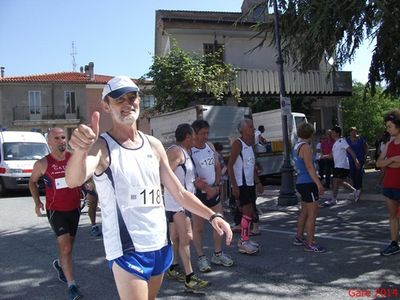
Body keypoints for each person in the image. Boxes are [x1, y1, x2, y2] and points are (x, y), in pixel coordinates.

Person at [65, 75, 232, 300]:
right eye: (118, 99)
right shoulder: (102, 146)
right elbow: (74, 179)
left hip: (159, 244)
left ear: (139, 101)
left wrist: (213, 216)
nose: (127, 103)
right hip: (127, 250)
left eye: (132, 97)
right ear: (106, 106)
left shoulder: (153, 145)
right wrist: (80, 150)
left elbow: (180, 193)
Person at [28, 128, 83, 300]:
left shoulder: (73, 158)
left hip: (74, 209)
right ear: (49, 142)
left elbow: (82, 176)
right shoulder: (43, 163)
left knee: (69, 247)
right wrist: (37, 202)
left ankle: (60, 265)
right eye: (57, 138)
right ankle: (72, 286)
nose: (61, 141)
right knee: (65, 248)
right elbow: (32, 182)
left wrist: (86, 185)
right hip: (56, 211)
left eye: (63, 137)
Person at [164, 123, 209, 290]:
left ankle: (174, 267)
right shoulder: (177, 152)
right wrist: (178, 193)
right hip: (178, 204)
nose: (196, 138)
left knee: (176, 238)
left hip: (176, 203)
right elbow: (164, 174)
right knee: (186, 238)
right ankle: (190, 278)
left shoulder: (184, 152)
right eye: (194, 136)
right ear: (188, 137)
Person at [191, 120, 234, 273]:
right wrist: (205, 188)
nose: (205, 136)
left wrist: (215, 185)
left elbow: (217, 166)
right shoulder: (190, 150)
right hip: (198, 194)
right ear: (194, 133)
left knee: (219, 221)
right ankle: (201, 257)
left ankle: (217, 254)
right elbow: (191, 177)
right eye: (202, 133)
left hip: (213, 191)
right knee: (199, 228)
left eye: (207, 133)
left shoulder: (210, 146)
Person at [227, 119, 264, 255]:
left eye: (253, 126)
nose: (253, 128)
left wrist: (258, 182)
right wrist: (234, 186)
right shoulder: (238, 144)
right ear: (242, 130)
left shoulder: (251, 144)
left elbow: (251, 166)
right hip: (241, 184)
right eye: (250, 127)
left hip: (250, 184)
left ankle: (245, 239)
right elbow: (230, 165)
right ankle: (243, 241)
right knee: (248, 212)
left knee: (249, 213)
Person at [292, 122, 326, 253]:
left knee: (305, 212)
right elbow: (309, 167)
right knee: (312, 214)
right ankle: (310, 243)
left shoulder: (297, 145)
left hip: (301, 182)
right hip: (308, 182)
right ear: (311, 134)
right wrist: (319, 184)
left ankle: (299, 237)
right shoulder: (305, 146)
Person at [376, 109, 400, 256]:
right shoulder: (389, 144)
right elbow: (378, 163)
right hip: (390, 185)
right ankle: (394, 244)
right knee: (392, 216)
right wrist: (391, 160)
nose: (388, 128)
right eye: (387, 126)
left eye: (390, 126)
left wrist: (388, 162)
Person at [324, 126, 360, 206]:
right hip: (338, 166)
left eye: (333, 133)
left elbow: (350, 150)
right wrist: (322, 156)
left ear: (337, 133)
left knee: (335, 181)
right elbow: (331, 156)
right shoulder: (335, 143)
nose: (331, 134)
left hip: (342, 165)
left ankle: (334, 199)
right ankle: (355, 191)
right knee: (340, 182)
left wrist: (355, 160)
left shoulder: (342, 141)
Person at [346, 127, 368, 200]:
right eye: (352, 131)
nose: (353, 133)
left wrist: (365, 155)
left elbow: (365, 146)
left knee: (358, 173)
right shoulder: (347, 140)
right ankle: (356, 188)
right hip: (351, 159)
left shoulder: (360, 139)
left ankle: (359, 188)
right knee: (352, 173)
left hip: (360, 158)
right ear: (350, 132)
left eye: (355, 131)